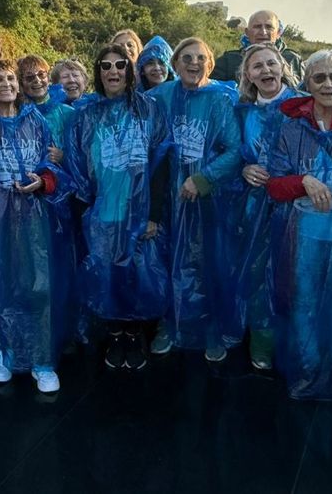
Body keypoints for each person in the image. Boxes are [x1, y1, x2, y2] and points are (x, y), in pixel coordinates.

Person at [265, 50, 332, 399]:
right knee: (305, 298)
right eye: (319, 77)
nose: (328, 84)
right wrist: (304, 181)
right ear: (306, 83)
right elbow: (275, 185)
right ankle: (308, 368)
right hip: (305, 233)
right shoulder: (291, 127)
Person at [65, 44, 172, 370]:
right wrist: (86, 208)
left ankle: (134, 332)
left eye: (120, 65)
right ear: (98, 72)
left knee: (137, 273)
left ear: (130, 71)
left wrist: (154, 214)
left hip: (139, 209)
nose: (113, 72)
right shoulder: (87, 114)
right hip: (104, 208)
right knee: (109, 273)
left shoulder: (149, 109)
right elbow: (77, 163)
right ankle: (114, 333)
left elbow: (162, 159)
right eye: (106, 66)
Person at [0, 60, 67, 392]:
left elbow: (53, 169)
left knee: (37, 285)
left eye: (11, 78)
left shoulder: (36, 121)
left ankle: (41, 359)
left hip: (34, 216)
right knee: (0, 283)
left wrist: (42, 181)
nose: (7, 84)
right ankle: (5, 352)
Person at [147, 38, 244, 361]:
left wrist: (204, 178)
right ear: (175, 64)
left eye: (201, 58)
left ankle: (210, 329)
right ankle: (168, 324)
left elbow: (235, 149)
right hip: (166, 196)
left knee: (209, 263)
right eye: (186, 57)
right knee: (166, 260)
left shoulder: (220, 99)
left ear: (210, 64)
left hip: (208, 199)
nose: (193, 63)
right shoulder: (160, 95)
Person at [230, 44, 303, 370]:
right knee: (258, 272)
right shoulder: (243, 111)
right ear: (247, 75)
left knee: (295, 274)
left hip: (299, 207)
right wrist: (244, 170)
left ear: (282, 66)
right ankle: (262, 338)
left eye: (271, 63)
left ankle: (296, 341)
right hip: (254, 207)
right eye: (257, 66)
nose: (265, 71)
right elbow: (232, 153)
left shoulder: (303, 106)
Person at [212, 10, 305, 82]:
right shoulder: (228, 61)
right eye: (257, 26)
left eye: (269, 27)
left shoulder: (293, 60)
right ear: (247, 32)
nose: (263, 32)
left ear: (277, 33)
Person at [18, 54, 76, 159]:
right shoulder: (17, 114)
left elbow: (84, 154)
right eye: (30, 77)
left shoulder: (68, 113)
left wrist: (64, 157)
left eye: (41, 74)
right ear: (21, 83)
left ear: (48, 78)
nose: (37, 80)